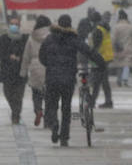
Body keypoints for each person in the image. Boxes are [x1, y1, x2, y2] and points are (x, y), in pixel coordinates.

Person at [39, 13, 104, 146]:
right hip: (67, 79)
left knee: (51, 104)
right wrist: (101, 63)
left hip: (52, 78)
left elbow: (42, 56)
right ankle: (64, 136)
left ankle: (54, 124)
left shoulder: (49, 39)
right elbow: (89, 51)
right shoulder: (73, 39)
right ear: (69, 25)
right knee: (66, 107)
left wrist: (50, 65)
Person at [0, 13, 28, 125]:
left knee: (18, 95)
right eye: (12, 24)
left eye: (16, 24)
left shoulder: (24, 38)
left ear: (19, 25)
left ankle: (16, 115)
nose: (14, 26)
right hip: (7, 72)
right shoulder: (3, 38)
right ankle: (15, 111)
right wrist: (9, 56)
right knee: (8, 93)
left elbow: (27, 54)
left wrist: (20, 58)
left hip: (20, 72)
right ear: (9, 25)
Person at [20, 14, 51, 127]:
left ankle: (38, 110)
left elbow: (26, 56)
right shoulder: (51, 36)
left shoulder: (32, 37)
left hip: (35, 65)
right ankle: (48, 120)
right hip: (48, 65)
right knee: (49, 95)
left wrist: (23, 71)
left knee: (36, 93)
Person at [86, 9, 114, 107]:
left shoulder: (98, 29)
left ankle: (93, 101)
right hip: (106, 57)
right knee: (103, 81)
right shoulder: (104, 28)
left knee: (97, 81)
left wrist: (90, 54)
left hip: (101, 58)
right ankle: (107, 101)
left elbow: (96, 45)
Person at [111, 9, 132, 87]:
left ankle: (119, 79)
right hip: (129, 47)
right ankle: (125, 79)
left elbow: (113, 39)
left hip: (119, 49)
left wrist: (113, 48)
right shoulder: (131, 27)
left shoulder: (116, 27)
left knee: (119, 65)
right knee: (126, 65)